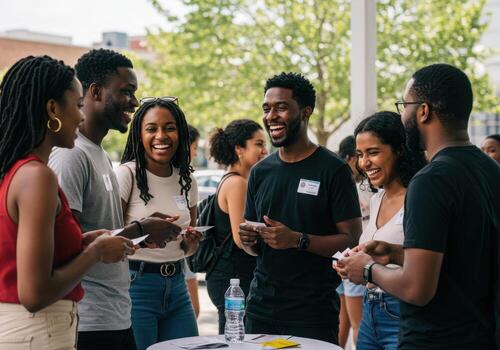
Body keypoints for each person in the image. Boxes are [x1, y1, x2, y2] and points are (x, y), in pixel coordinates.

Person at [340, 64, 500, 349]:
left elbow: (417, 289)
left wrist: (367, 270)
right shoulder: (489, 170)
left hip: (435, 338)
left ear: (423, 111)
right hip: (479, 334)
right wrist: (397, 254)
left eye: (405, 106)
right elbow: (464, 258)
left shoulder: (430, 180)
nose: (403, 116)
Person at [49, 49, 181, 350]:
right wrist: (137, 230)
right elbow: (65, 246)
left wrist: (141, 233)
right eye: (126, 92)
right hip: (88, 323)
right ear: (94, 91)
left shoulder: (98, 153)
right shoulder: (71, 155)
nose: (135, 102)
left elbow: (98, 237)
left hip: (117, 316)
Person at [0, 55, 135, 349]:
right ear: (52, 109)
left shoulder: (22, 171)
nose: (82, 116)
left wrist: (85, 242)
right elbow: (34, 294)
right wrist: (96, 252)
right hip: (37, 334)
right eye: (76, 105)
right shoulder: (37, 176)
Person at [238, 72, 362, 344]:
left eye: (281, 107)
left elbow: (351, 239)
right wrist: (249, 240)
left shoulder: (334, 169)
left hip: (312, 313)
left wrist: (297, 240)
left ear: (306, 111)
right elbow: (253, 243)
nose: (271, 116)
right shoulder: (260, 171)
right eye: (267, 108)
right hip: (260, 308)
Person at [115, 97, 201, 349]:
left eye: (170, 127)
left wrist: (191, 243)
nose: (161, 135)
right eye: (152, 129)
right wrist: (145, 230)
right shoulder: (127, 174)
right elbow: (110, 239)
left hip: (177, 285)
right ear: (139, 135)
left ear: (180, 132)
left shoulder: (188, 181)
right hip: (136, 286)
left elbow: (187, 247)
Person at [335, 112, 426, 350]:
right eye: (360, 155)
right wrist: (355, 261)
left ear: (399, 150)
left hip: (402, 312)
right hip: (370, 309)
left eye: (373, 152)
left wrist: (377, 262)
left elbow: (429, 262)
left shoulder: (420, 197)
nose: (364, 163)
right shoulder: (379, 197)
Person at [206, 119, 268, 334]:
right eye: (259, 144)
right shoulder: (237, 183)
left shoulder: (236, 180)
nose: (265, 150)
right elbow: (241, 238)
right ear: (239, 149)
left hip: (231, 277)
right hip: (232, 279)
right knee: (235, 339)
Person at [335, 135, 371, 347]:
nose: (363, 163)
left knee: (346, 319)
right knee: (358, 323)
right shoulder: (359, 187)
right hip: (353, 261)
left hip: (342, 258)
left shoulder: (344, 184)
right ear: (350, 158)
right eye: (359, 155)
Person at [184, 123, 201, 319]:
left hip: (182, 263)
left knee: (194, 312)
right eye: (194, 147)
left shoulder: (190, 181)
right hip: (146, 274)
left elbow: (191, 227)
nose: (195, 154)